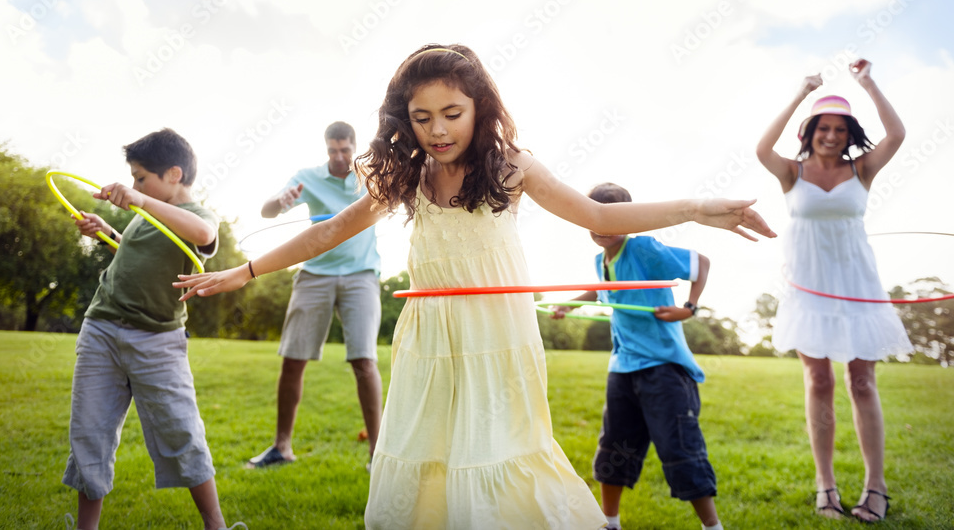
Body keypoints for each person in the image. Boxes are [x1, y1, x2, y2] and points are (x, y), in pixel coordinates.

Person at [175, 44, 775, 529]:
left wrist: (697, 207)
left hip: (498, 333)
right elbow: (327, 231)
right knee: (431, 452)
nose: (437, 130)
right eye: (421, 117)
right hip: (431, 336)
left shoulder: (513, 165)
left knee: (497, 450)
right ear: (402, 120)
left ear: (479, 106)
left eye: (451, 114)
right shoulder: (405, 176)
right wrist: (243, 270)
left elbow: (601, 218)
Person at [755, 59, 912, 522]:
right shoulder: (791, 173)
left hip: (857, 288)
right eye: (822, 127)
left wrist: (868, 82)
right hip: (809, 292)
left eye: (840, 129)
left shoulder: (862, 170)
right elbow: (761, 147)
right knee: (818, 381)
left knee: (862, 381)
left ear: (849, 135)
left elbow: (897, 135)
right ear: (810, 132)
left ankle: (875, 488)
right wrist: (802, 91)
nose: (831, 135)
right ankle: (826, 486)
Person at [63, 128, 241, 530]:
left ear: (174, 175)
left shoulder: (197, 215)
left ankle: (216, 525)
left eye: (140, 177)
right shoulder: (146, 216)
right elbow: (138, 250)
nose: (134, 186)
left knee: (181, 431)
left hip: (157, 341)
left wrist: (142, 200)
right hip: (102, 328)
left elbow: (202, 236)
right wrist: (107, 233)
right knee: (89, 432)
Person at [552, 182, 723, 530]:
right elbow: (603, 290)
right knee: (614, 447)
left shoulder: (643, 249)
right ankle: (611, 523)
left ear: (630, 220)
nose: (601, 228)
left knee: (681, 449)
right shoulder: (601, 259)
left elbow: (701, 263)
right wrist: (568, 303)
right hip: (623, 368)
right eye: (594, 219)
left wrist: (688, 309)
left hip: (664, 368)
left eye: (613, 220)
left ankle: (712, 527)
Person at [249, 121, 382, 469]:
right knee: (293, 359)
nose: (339, 157)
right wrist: (281, 201)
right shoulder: (308, 176)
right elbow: (267, 212)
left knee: (364, 361)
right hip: (315, 274)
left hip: (361, 274)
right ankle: (281, 447)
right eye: (333, 151)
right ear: (326, 149)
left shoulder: (369, 175)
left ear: (355, 147)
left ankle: (377, 454)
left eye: (345, 150)